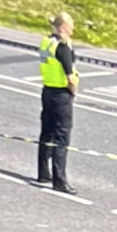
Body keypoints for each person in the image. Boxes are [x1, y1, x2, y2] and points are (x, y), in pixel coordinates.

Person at [37, 12, 79, 194]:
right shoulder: (62, 47)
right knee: (62, 137)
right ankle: (59, 180)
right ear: (63, 27)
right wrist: (73, 92)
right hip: (62, 94)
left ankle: (43, 173)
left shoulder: (47, 42)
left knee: (47, 133)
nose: (73, 29)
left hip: (47, 90)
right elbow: (70, 77)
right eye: (71, 26)